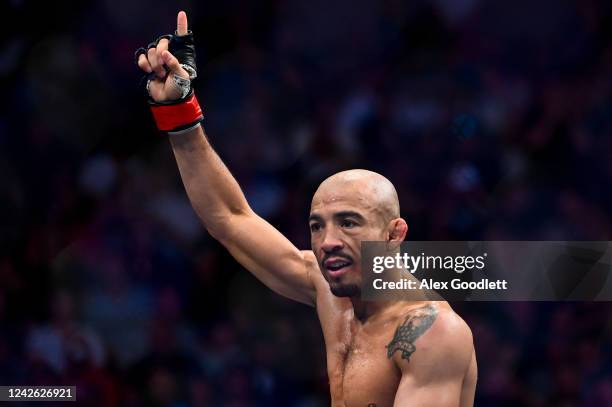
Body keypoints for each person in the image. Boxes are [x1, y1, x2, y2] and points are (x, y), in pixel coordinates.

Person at [135, 11, 477, 406]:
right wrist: (180, 113)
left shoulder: (431, 332)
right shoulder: (328, 289)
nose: (328, 241)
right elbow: (229, 219)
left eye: (349, 223)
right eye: (317, 226)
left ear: (394, 234)